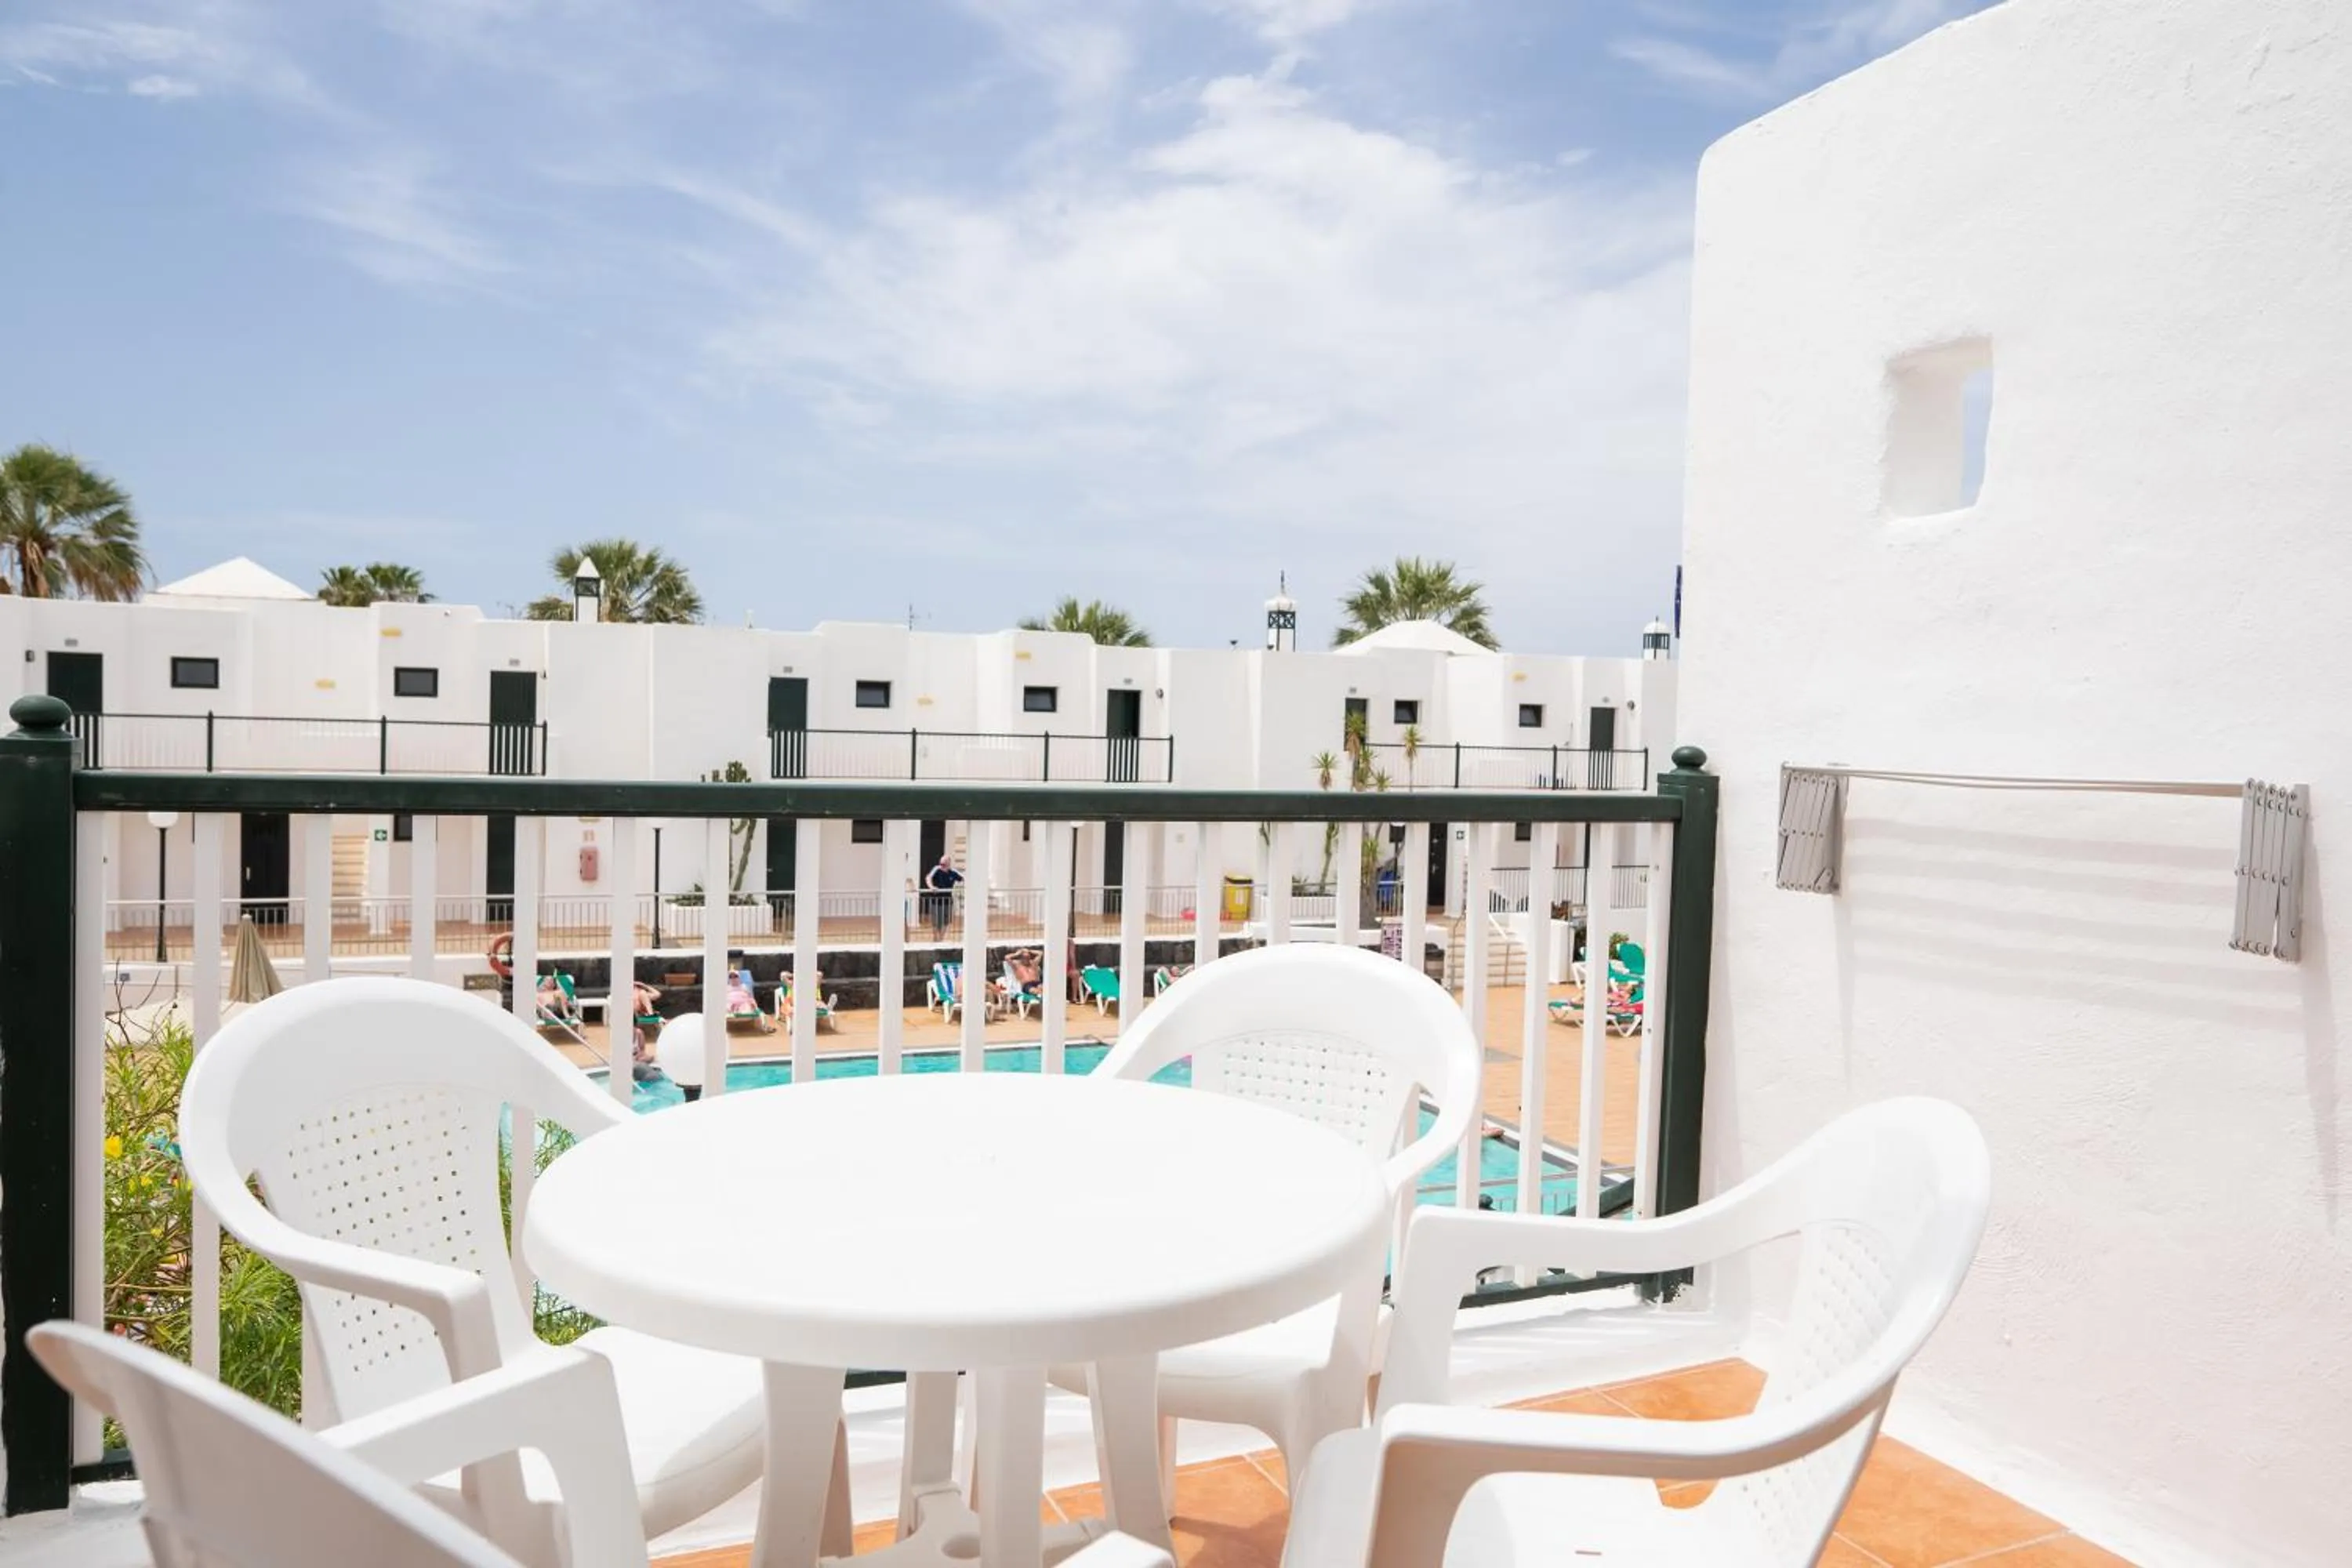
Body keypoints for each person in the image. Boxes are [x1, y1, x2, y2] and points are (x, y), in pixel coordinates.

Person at [922, 855, 964, 938]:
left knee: (946, 922)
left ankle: (941, 939)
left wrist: (963, 890)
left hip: (948, 901)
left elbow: (962, 878)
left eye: (944, 863)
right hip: (936, 901)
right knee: (936, 922)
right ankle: (936, 939)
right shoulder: (936, 869)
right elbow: (928, 878)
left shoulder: (953, 872)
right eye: (941, 863)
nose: (942, 865)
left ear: (949, 863)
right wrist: (931, 887)